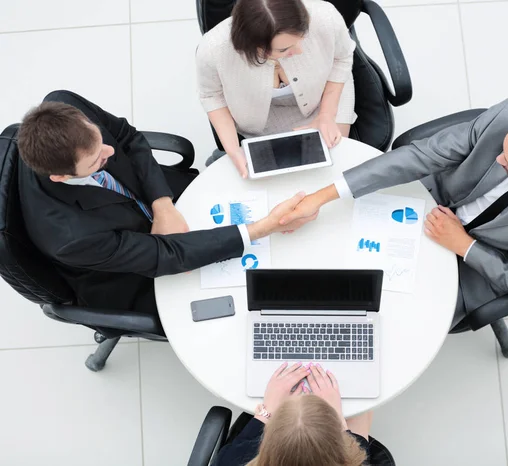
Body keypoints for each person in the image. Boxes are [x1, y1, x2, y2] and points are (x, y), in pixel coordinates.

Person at [278, 99, 508, 327]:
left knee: (387, 320)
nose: (499, 160)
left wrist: (464, 245)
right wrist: (323, 196)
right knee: (334, 252)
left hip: (477, 264)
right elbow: (422, 156)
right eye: (503, 149)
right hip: (433, 197)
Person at [17, 90, 316, 320]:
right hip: (130, 270)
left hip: (153, 200)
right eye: (97, 161)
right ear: (60, 176)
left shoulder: (64, 103)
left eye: (99, 141)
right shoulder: (71, 238)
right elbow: (164, 255)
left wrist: (162, 205)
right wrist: (266, 226)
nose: (109, 152)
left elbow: (126, 137)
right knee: (249, 299)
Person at [196, 0, 356, 178]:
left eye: (302, 37)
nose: (300, 50)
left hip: (326, 98)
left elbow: (342, 58)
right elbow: (212, 95)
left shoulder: (325, 16)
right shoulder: (213, 49)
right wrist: (233, 150)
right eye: (284, 48)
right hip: (263, 117)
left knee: (335, 167)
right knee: (279, 180)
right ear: (254, 47)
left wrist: (327, 114)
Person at [213, 362, 376, 465]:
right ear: (336, 443)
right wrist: (338, 415)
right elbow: (355, 447)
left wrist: (267, 411)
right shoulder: (356, 461)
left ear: (267, 440)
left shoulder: (233, 460)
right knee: (361, 406)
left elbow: (243, 443)